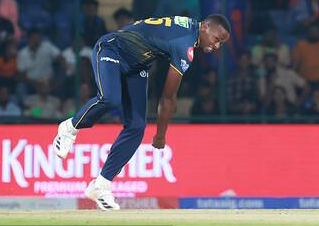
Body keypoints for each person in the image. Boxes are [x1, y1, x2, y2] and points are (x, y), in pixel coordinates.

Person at [52, 15, 231, 210]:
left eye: (221, 43)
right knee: (110, 99)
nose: (217, 46)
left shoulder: (190, 27)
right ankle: (69, 128)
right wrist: (160, 136)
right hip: (112, 48)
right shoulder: (184, 46)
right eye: (217, 39)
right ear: (205, 27)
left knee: (137, 127)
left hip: (137, 66)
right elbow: (168, 98)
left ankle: (101, 185)